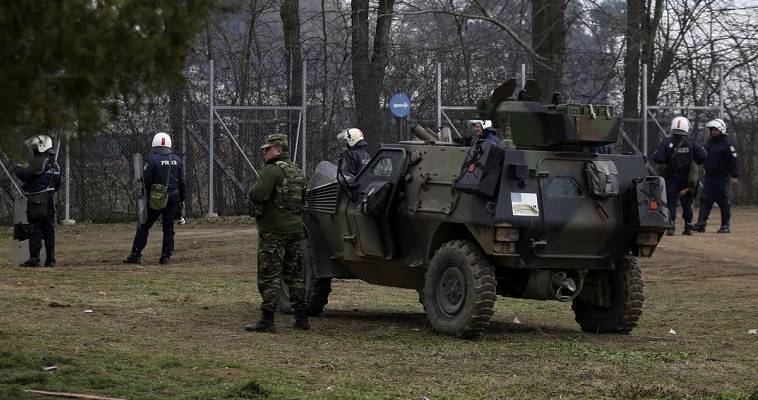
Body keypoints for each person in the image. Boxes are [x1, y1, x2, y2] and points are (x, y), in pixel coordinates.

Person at [244, 134, 309, 333]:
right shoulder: (298, 172)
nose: (264, 152)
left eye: (268, 149)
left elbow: (258, 195)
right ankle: (301, 317)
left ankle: (267, 319)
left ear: (279, 150)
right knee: (294, 275)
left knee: (269, 275)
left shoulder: (271, 171)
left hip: (273, 231)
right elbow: (303, 198)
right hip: (295, 229)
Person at [123, 132, 186, 265]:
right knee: (169, 228)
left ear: (154, 144)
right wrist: (182, 200)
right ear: (169, 144)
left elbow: (145, 180)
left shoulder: (151, 160)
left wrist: (141, 191)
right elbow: (182, 183)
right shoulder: (177, 160)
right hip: (174, 197)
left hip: (156, 199)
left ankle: (136, 253)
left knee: (144, 225)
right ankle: (166, 256)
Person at [652, 116, 707, 236]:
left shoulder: (666, 142)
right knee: (687, 204)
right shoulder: (691, 143)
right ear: (686, 128)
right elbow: (703, 156)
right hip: (687, 181)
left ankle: (671, 227)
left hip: (671, 179)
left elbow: (657, 158)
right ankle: (687, 226)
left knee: (670, 203)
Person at [14, 135, 61, 267]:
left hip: (37, 200)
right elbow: (57, 185)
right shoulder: (55, 164)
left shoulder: (39, 162)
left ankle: (34, 258)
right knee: (49, 229)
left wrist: (17, 167)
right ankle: (51, 259)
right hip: (50, 200)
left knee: (35, 228)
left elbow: (24, 174)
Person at [693, 119, 739, 233]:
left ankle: (725, 225)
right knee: (705, 200)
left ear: (721, 130)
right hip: (709, 177)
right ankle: (701, 224)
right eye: (711, 130)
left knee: (724, 201)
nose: (713, 132)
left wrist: (735, 175)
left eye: (715, 130)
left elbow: (734, 160)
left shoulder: (727, 144)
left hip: (722, 177)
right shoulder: (710, 143)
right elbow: (703, 155)